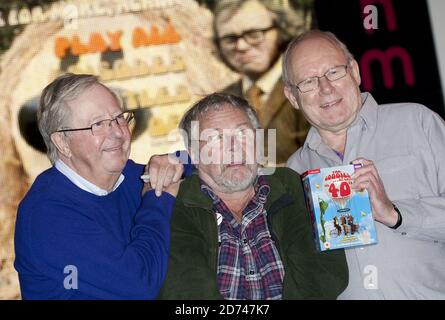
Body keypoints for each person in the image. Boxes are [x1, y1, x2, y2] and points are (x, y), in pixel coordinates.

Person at [282, 30, 445, 299]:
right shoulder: (293, 171)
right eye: (309, 81)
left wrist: (395, 214)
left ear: (355, 72)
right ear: (292, 97)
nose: (326, 88)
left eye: (334, 72)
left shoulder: (417, 123)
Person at [158, 93, 348, 299]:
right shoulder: (174, 203)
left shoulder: (292, 185)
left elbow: (325, 273)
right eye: (216, 138)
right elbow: (186, 290)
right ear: (193, 154)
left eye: (243, 134)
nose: (234, 147)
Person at [14, 73, 186, 299]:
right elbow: (138, 285)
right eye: (97, 125)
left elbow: (200, 168)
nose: (118, 132)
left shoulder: (125, 175)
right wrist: (157, 198)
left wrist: (177, 160)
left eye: (119, 118)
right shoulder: (47, 213)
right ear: (63, 143)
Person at [214, 0, 310, 164]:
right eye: (230, 39)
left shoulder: (308, 85)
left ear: (281, 30)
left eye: (254, 34)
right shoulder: (219, 101)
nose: (241, 46)